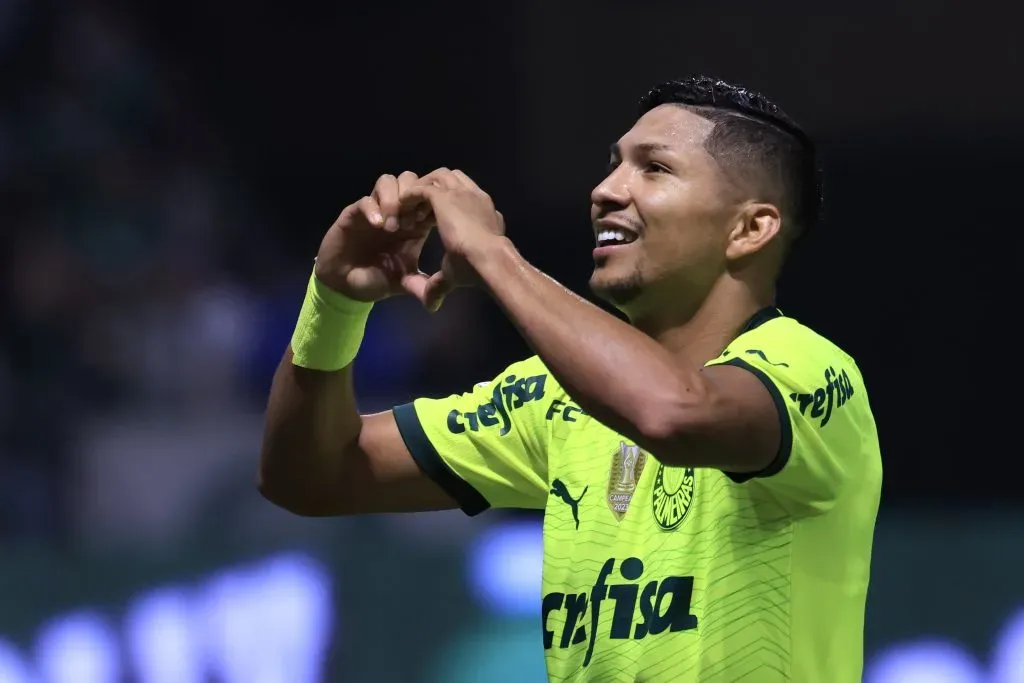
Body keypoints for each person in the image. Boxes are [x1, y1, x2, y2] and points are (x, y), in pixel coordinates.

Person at [258, 75, 882, 682]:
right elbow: (309, 476)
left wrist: (492, 254)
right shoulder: (556, 397)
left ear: (750, 229)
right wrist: (335, 302)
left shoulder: (807, 370)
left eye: (654, 168)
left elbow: (674, 414)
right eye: (612, 165)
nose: (606, 190)